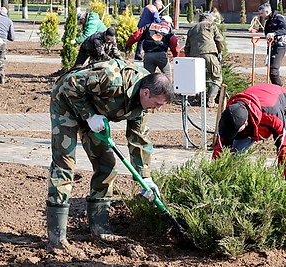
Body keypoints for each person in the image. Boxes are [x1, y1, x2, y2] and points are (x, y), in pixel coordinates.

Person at [47, 58, 173, 252]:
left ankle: (99, 228)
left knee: (107, 165)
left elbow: (139, 140)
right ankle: (57, 238)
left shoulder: (144, 104)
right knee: (65, 164)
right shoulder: (112, 78)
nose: (157, 109)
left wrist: (145, 177)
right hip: (66, 103)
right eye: (157, 104)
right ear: (146, 92)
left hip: (96, 114)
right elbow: (70, 83)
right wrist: (89, 115)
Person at [212, 83, 286, 221]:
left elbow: (285, 147)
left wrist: (285, 184)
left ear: (244, 123)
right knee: (234, 159)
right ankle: (234, 206)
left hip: (285, 110)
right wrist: (216, 176)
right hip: (255, 113)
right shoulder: (231, 114)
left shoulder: (272, 114)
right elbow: (221, 147)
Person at [184, 13, 224, 108]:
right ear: (209, 19)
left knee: (197, 78)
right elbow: (219, 40)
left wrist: (189, 56)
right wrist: (219, 51)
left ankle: (199, 99)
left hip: (194, 55)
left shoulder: (192, 29)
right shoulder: (211, 25)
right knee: (217, 77)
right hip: (210, 53)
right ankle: (210, 100)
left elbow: (187, 46)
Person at [258, 3, 286, 87]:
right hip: (271, 47)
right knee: (270, 70)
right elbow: (267, 36)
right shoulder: (268, 21)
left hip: (280, 47)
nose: (261, 15)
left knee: (273, 71)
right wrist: (268, 54)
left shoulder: (278, 18)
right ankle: (276, 88)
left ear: (267, 11)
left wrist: (274, 34)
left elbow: (285, 29)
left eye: (261, 13)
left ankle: (280, 88)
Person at [0, 7, 14, 84]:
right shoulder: (9, 21)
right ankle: (1, 81)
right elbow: (12, 37)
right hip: (2, 44)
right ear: (6, 13)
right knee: (0, 63)